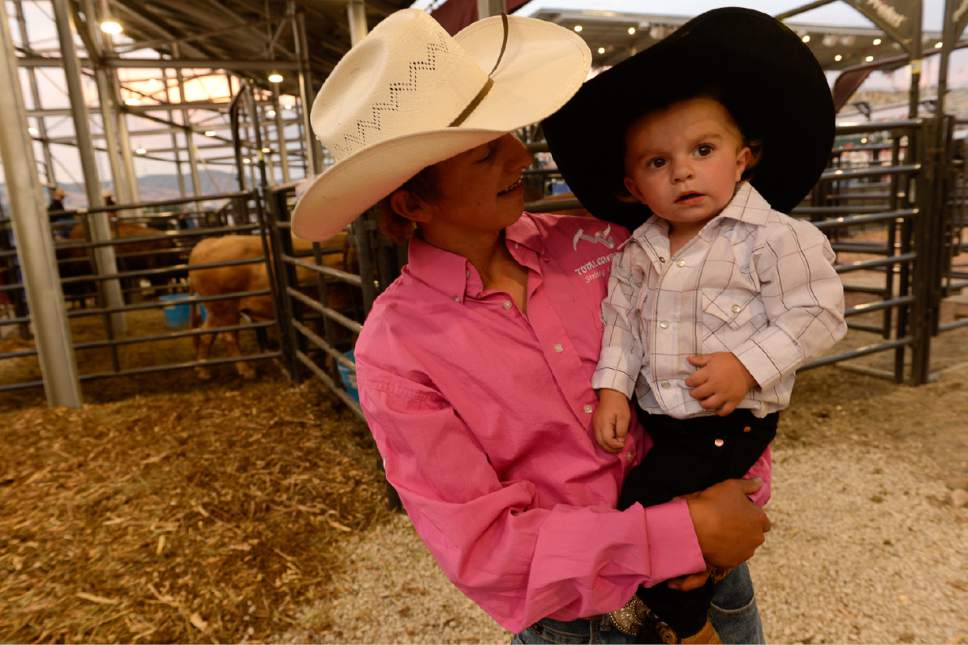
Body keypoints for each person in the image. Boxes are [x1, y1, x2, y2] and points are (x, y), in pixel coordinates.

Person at [291, 9, 771, 644]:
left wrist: (740, 496)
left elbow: (720, 354)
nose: (520, 153)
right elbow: (483, 547)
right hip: (584, 622)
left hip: (712, 581)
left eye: (509, 133)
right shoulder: (398, 353)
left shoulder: (597, 242)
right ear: (412, 201)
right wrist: (688, 532)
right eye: (487, 150)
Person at [543, 8, 846, 642]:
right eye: (658, 162)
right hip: (659, 414)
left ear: (743, 159)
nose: (682, 170)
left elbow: (819, 312)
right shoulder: (636, 254)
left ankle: (678, 620)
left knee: (653, 500)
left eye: (702, 150)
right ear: (632, 187)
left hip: (730, 418)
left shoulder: (776, 239)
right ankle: (686, 597)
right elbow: (620, 326)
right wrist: (611, 390)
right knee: (654, 496)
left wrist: (748, 363)